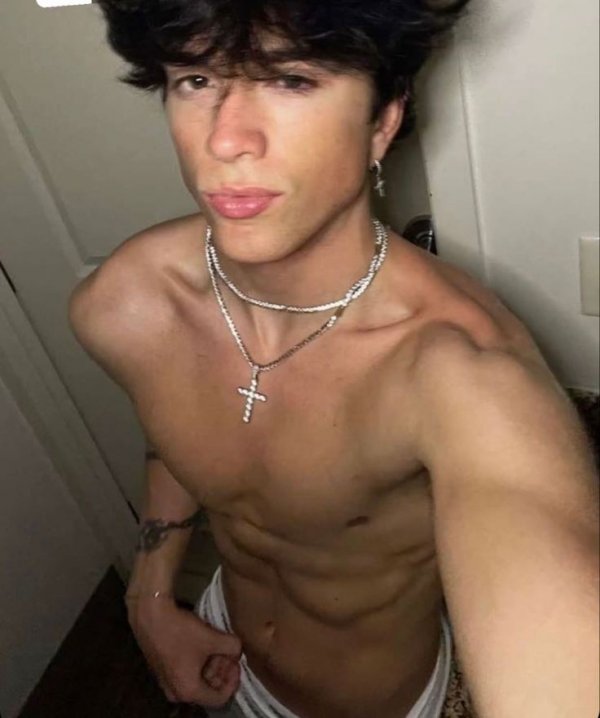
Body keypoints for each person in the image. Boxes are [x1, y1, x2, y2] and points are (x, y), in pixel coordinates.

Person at [68, 1, 599, 716]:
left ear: (383, 121)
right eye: (196, 79)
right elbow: (175, 431)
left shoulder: (462, 375)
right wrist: (152, 595)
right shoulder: (128, 307)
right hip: (223, 643)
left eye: (291, 79)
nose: (226, 138)